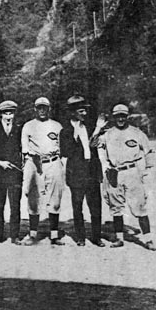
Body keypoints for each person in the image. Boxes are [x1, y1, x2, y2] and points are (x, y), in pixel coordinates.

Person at [98, 104, 156, 250]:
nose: (121, 119)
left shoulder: (136, 133)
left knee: (139, 207)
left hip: (132, 172)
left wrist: (147, 170)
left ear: (127, 116)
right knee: (116, 207)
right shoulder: (107, 134)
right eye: (118, 116)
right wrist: (98, 128)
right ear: (113, 117)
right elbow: (96, 147)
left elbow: (149, 151)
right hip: (114, 172)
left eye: (123, 115)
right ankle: (119, 238)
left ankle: (148, 239)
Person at [60, 96, 104, 247]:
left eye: (85, 110)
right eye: (81, 110)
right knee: (77, 207)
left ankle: (97, 237)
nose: (84, 113)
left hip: (91, 172)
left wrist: (97, 131)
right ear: (72, 112)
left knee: (96, 206)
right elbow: (66, 151)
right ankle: (81, 237)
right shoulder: (65, 130)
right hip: (77, 173)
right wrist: (75, 133)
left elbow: (95, 144)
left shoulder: (91, 127)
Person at [20, 97, 65, 245]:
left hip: (53, 162)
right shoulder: (28, 126)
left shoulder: (57, 126)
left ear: (49, 109)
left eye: (44, 107)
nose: (42, 110)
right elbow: (24, 148)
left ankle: (54, 234)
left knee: (55, 198)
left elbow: (62, 147)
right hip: (34, 163)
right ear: (35, 109)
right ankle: (33, 233)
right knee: (34, 198)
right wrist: (31, 159)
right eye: (39, 107)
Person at [0, 100, 23, 245]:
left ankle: (15, 236)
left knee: (15, 205)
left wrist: (20, 165)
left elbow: (23, 148)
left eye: (11, 113)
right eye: (5, 113)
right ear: (0, 114)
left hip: (14, 173)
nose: (8, 116)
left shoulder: (19, 127)